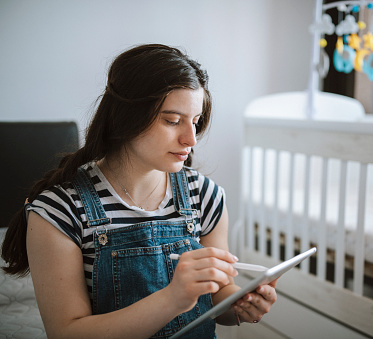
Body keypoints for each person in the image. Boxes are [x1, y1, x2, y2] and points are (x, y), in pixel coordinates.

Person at [1, 44, 277, 338]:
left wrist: (239, 304)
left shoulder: (204, 195)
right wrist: (173, 298)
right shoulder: (59, 212)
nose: (190, 139)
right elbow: (67, 333)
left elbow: (217, 296)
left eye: (195, 122)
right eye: (172, 121)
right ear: (127, 116)